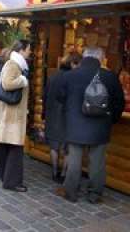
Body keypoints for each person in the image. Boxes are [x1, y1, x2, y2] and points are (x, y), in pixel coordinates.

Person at [56, 47, 124, 203]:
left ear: (84, 57)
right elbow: (118, 103)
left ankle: (71, 192)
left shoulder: (69, 76)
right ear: (101, 58)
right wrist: (111, 120)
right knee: (97, 164)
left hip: (75, 126)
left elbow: (60, 98)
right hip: (100, 127)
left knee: (74, 161)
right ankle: (94, 195)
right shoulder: (110, 77)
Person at [0, 39, 32, 192]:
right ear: (22, 49)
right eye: (28, 49)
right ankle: (12, 182)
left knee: (8, 147)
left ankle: (5, 176)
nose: (30, 51)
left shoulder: (16, 63)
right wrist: (23, 80)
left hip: (10, 113)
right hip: (11, 114)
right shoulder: (14, 64)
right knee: (15, 148)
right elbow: (7, 83)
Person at [43, 52, 82, 183]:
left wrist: (44, 113)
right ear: (73, 63)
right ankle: (64, 174)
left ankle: (54, 172)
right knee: (67, 149)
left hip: (52, 114)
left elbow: (45, 96)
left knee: (54, 147)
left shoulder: (52, 76)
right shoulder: (73, 78)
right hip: (66, 116)